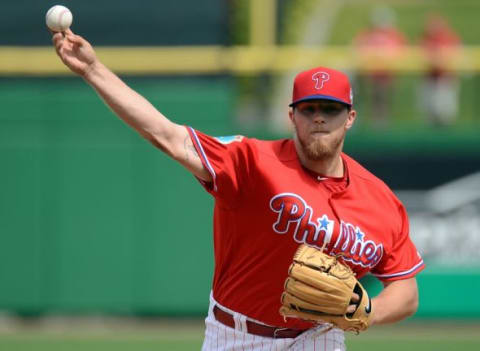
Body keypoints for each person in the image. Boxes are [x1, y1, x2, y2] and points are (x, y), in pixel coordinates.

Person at [52, 29, 425, 351]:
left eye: (331, 108)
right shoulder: (251, 161)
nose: (320, 118)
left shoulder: (380, 200)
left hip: (318, 337)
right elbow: (165, 135)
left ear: (351, 118)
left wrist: (370, 312)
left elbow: (406, 291)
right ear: (291, 115)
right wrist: (92, 69)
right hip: (237, 334)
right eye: (309, 108)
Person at [353, 6, 406, 127]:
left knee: (381, 103)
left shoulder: (394, 36)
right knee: (361, 100)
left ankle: (380, 125)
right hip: (367, 75)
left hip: (385, 76)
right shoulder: (367, 35)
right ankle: (359, 123)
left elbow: (400, 53)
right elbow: (358, 49)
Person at [419, 13, 462, 127]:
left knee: (444, 110)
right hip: (430, 78)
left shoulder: (449, 38)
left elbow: (455, 55)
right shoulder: (426, 38)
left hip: (445, 79)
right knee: (430, 110)